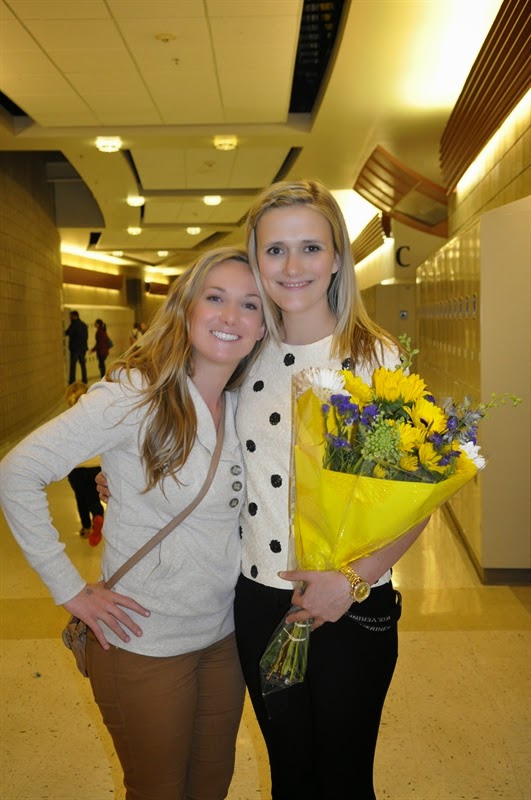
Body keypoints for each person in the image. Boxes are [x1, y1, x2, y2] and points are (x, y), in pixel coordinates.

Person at [0, 246, 268, 800]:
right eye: (215, 298)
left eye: (250, 304)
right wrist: (69, 589)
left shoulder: (247, 403)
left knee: (212, 784)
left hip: (223, 637)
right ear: (187, 307)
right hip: (143, 642)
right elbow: (17, 473)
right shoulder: (135, 395)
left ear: (264, 326)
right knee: (157, 790)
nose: (230, 316)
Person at [232, 179, 430, 800]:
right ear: (256, 259)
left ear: (338, 257)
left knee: (344, 780)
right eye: (275, 250)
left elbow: (417, 497)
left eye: (310, 248)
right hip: (260, 599)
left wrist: (350, 582)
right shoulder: (243, 354)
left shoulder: (374, 358)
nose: (293, 266)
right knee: (289, 777)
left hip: (351, 601)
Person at [65, 381, 105, 546]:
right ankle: (98, 516)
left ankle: (86, 526)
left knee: (81, 497)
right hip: (95, 466)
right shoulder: (98, 418)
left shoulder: (67, 421)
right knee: (93, 497)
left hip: (76, 469)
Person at [65, 310, 88, 384]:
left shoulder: (73, 324)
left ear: (74, 316)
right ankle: (85, 380)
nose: (69, 317)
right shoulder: (84, 325)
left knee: (73, 366)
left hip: (75, 349)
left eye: (70, 316)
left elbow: (67, 333)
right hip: (82, 348)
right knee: (83, 365)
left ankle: (72, 381)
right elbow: (86, 337)